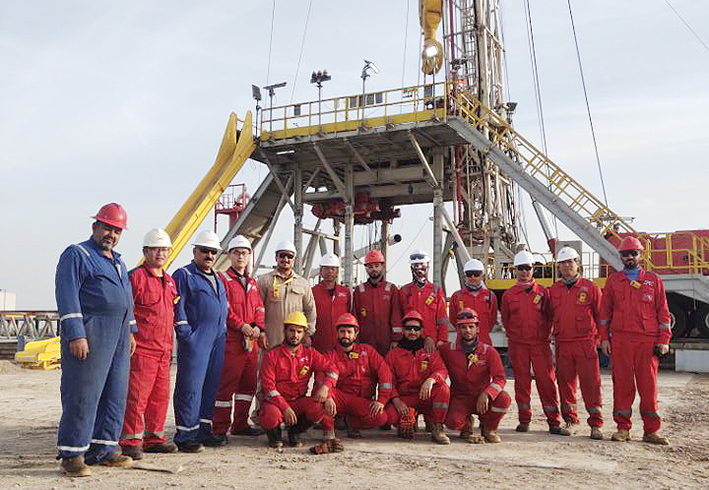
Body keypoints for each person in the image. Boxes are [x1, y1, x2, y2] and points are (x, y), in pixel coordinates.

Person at [55, 203, 136, 477]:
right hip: (92, 330)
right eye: (107, 228)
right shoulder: (77, 255)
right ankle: (73, 454)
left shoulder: (118, 262)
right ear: (95, 226)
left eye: (117, 231)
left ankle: (104, 449)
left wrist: (130, 330)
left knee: (115, 392)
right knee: (83, 392)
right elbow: (67, 295)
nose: (112, 234)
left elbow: (126, 297)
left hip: (119, 333)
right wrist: (76, 333)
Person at [599, 236, 671, 445]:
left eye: (633, 253)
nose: (629, 257)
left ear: (641, 255)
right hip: (621, 340)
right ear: (620, 256)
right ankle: (623, 428)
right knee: (622, 385)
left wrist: (664, 340)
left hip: (646, 342)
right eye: (625, 254)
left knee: (649, 387)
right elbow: (605, 313)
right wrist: (604, 338)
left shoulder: (653, 280)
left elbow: (663, 313)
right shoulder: (613, 281)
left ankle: (651, 431)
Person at [120, 228, 179, 460]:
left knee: (160, 397)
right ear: (145, 251)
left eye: (164, 249)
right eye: (156, 249)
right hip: (143, 349)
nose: (161, 253)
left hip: (164, 350)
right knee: (137, 397)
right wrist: (129, 335)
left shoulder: (169, 281)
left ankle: (154, 438)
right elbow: (125, 309)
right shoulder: (136, 278)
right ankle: (131, 441)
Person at [172, 230, 229, 452]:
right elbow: (178, 305)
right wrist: (185, 332)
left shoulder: (218, 278)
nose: (209, 255)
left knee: (210, 385)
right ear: (195, 251)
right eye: (205, 251)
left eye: (213, 252)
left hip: (217, 338)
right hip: (197, 338)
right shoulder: (184, 275)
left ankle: (204, 430)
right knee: (190, 386)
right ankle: (185, 435)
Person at [501, 250, 569, 436]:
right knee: (521, 383)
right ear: (515, 270)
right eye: (520, 268)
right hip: (518, 345)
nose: (524, 272)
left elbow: (550, 316)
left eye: (527, 268)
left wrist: (544, 335)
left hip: (540, 344)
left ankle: (554, 422)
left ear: (533, 269)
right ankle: (524, 420)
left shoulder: (544, 293)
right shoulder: (508, 295)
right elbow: (506, 319)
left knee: (546, 382)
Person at [212, 235, 265, 443]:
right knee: (226, 385)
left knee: (248, 385)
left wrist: (258, 327)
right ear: (230, 255)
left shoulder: (252, 283)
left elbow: (259, 307)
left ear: (249, 256)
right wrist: (242, 326)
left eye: (244, 253)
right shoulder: (223, 279)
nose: (241, 257)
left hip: (251, 341)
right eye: (237, 253)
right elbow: (224, 308)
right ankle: (219, 428)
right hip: (232, 340)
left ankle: (240, 424)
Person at [259, 312, 339, 448]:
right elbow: (269, 388)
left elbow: (333, 370)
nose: (295, 335)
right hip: (276, 403)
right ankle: (274, 435)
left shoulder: (311, 353)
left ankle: (295, 432)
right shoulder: (272, 355)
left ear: (304, 334)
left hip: (298, 401)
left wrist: (326, 388)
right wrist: (285, 407)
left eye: (299, 332)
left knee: (318, 407)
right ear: (285, 331)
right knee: (270, 415)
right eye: (291, 330)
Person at [548, 246, 604, 440]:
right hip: (563, 343)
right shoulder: (554, 290)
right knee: (565, 384)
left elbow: (601, 316)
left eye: (569, 262)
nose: (566, 266)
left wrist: (602, 340)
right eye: (562, 263)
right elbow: (548, 317)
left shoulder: (591, 288)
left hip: (585, 343)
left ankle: (595, 424)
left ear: (577, 263)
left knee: (591, 383)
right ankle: (570, 420)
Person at [440, 308, 510, 443]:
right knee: (452, 422)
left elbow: (500, 378)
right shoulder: (448, 350)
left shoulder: (489, 352)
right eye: (463, 327)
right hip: (460, 398)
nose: (467, 330)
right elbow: (431, 357)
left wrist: (487, 393)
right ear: (458, 329)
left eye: (471, 326)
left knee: (503, 399)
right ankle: (466, 425)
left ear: (477, 329)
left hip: (482, 396)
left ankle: (488, 427)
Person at [319, 313, 393, 439]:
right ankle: (328, 428)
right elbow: (320, 379)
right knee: (321, 395)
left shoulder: (368, 352)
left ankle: (350, 423)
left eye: (349, 332)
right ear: (337, 333)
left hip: (362, 402)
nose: (345, 335)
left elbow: (385, 373)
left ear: (356, 334)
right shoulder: (330, 356)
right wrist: (328, 397)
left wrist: (382, 399)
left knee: (382, 417)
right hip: (340, 399)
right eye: (342, 331)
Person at [384, 311, 451, 444]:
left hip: (425, 396)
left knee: (443, 389)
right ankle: (407, 418)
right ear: (403, 330)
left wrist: (431, 380)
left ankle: (437, 426)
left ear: (421, 331)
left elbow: (442, 370)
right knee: (388, 417)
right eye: (408, 328)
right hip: (405, 398)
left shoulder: (430, 351)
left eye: (416, 329)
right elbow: (388, 381)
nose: (412, 332)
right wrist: (396, 401)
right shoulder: (393, 354)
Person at [257, 240, 316, 348]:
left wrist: (308, 333)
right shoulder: (264, 281)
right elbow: (257, 308)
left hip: (295, 339)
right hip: (272, 337)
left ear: (294, 260)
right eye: (282, 255)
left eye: (289, 256)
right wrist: (261, 332)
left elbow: (310, 310)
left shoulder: (303, 283)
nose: (285, 259)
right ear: (276, 258)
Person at [352, 249, 402, 357]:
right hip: (365, 342)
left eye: (376, 266)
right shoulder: (359, 290)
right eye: (370, 266)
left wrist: (396, 339)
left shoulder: (391, 289)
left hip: (387, 342)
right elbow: (355, 316)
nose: (373, 269)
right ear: (366, 268)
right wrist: (356, 341)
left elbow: (396, 315)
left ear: (382, 266)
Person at [398, 250, 448, 353]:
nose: (419, 270)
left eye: (422, 266)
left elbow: (442, 319)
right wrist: (397, 339)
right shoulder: (404, 291)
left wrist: (442, 340)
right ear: (411, 268)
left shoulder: (436, 291)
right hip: (409, 341)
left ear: (428, 266)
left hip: (431, 344)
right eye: (416, 267)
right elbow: (398, 317)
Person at [448, 258, 499, 346]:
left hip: (484, 342)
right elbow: (453, 320)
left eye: (476, 274)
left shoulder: (491, 296)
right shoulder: (456, 296)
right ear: (465, 277)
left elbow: (492, 320)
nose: (473, 277)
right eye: (469, 274)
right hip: (463, 343)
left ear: (482, 276)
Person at [311, 253, 351, 353]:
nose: (330, 271)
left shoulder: (345, 292)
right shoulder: (312, 292)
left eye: (333, 269)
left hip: (341, 343)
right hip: (319, 342)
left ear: (337, 271)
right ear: (321, 271)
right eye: (326, 268)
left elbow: (350, 314)